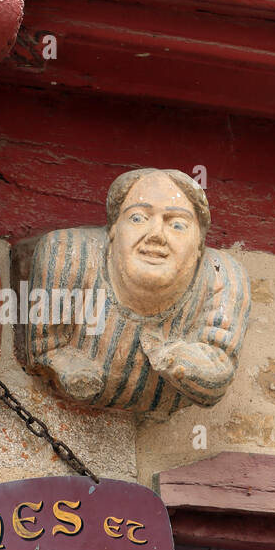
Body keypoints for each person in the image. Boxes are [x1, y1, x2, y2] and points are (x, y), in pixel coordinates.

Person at [25, 168, 250, 417]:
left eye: (177, 224)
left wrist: (177, 360)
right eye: (137, 218)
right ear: (112, 229)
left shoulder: (222, 275)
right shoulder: (69, 255)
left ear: (199, 243)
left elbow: (219, 369)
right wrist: (69, 367)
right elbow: (45, 349)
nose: (156, 235)